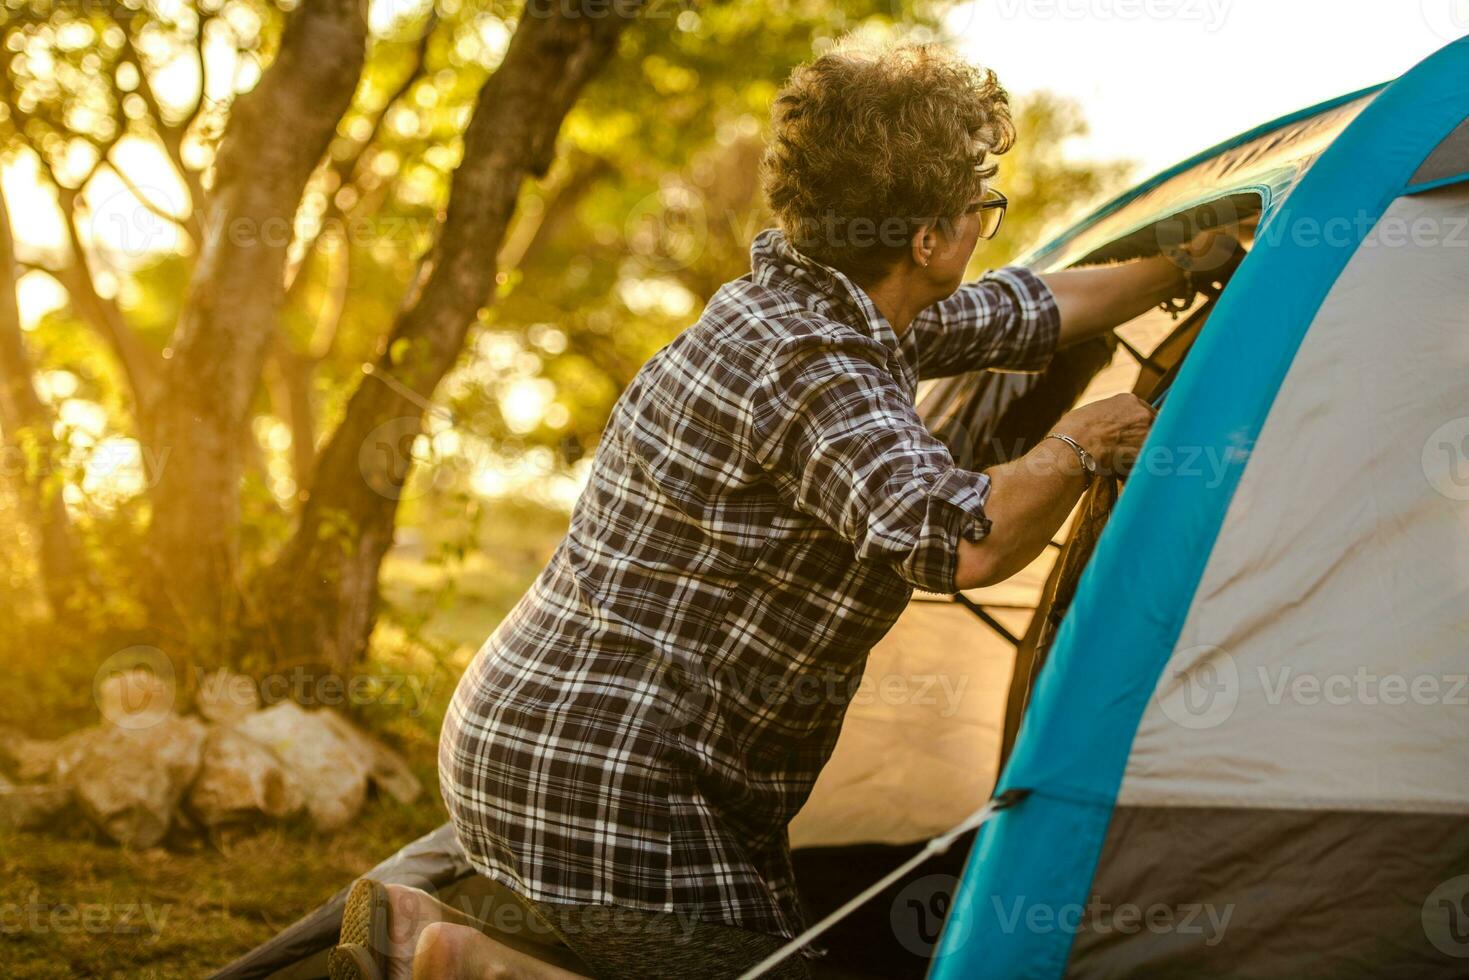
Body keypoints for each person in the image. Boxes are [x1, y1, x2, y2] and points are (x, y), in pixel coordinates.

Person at [330, 38, 1242, 980]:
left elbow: (1019, 311)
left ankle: (428, 939)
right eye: (979, 205)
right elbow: (963, 539)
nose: (985, 225)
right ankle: (476, 967)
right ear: (924, 240)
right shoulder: (817, 365)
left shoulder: (807, 307)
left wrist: (1179, 267)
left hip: (538, 737)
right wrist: (1081, 443)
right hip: (618, 786)